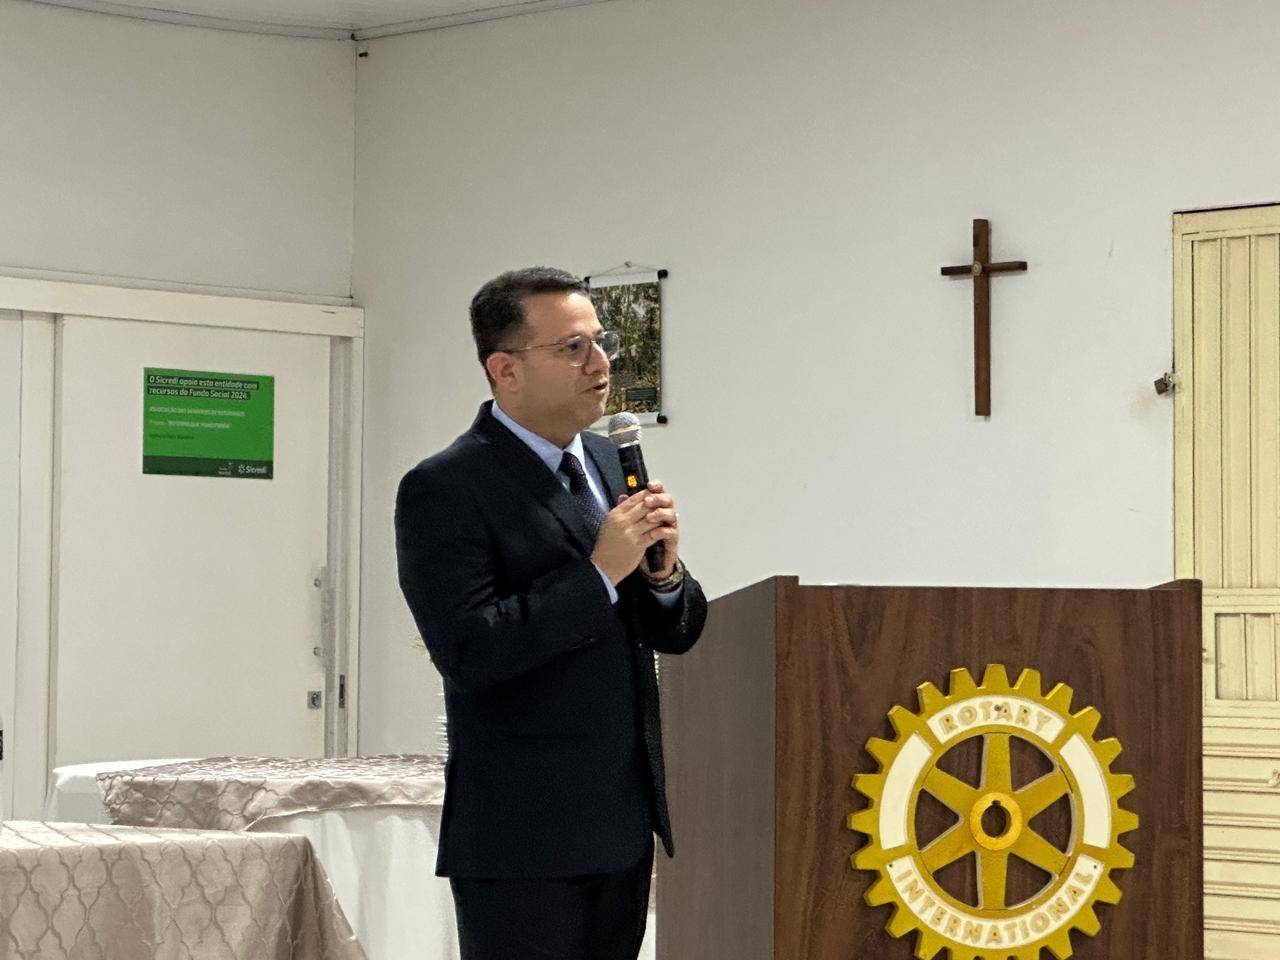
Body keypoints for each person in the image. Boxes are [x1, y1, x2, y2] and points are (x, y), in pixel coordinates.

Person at [395, 266, 708, 960]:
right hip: (521, 836)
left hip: (620, 822)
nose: (599, 364)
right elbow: (471, 650)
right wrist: (599, 573)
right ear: (505, 370)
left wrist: (663, 574)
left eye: (600, 343)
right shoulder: (445, 486)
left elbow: (675, 630)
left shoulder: (606, 460)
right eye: (572, 348)